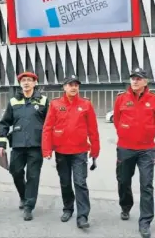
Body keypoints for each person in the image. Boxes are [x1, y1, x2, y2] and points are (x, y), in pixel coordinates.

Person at [42, 75, 100, 229]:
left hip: (80, 151)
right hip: (61, 151)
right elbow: (47, 128)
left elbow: (93, 130)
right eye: (70, 84)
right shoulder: (55, 104)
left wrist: (95, 151)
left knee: (80, 183)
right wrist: (47, 149)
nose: (73, 87)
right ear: (64, 87)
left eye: (76, 85)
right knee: (65, 182)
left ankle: (83, 216)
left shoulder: (86, 104)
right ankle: (68, 208)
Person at [112, 68, 155, 238]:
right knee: (123, 180)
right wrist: (125, 133)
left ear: (145, 81)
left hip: (146, 149)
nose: (135, 81)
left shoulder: (153, 99)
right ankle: (126, 206)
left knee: (146, 184)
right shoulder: (121, 99)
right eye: (133, 78)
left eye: (139, 78)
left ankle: (145, 221)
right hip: (125, 148)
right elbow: (117, 120)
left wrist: (146, 134)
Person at [0, 72, 49, 221]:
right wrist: (1, 143)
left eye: (29, 80)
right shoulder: (13, 101)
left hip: (36, 145)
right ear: (20, 84)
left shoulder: (44, 101)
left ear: (34, 83)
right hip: (18, 144)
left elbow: (50, 123)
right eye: (23, 80)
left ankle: (28, 206)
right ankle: (24, 195)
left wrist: (50, 145)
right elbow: (4, 123)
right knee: (15, 170)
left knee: (33, 176)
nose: (26, 83)